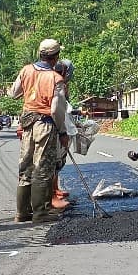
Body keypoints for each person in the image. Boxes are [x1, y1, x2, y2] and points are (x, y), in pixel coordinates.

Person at [8, 38, 69, 223]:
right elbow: (56, 110)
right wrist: (63, 132)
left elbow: (14, 92)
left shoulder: (26, 70)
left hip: (27, 124)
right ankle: (40, 213)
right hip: (44, 124)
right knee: (42, 168)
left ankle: (22, 212)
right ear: (55, 57)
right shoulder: (56, 78)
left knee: (26, 166)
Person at [50, 59, 78, 212]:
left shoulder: (60, 83)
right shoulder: (57, 82)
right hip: (54, 126)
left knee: (58, 162)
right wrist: (62, 132)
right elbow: (57, 109)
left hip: (57, 124)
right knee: (54, 162)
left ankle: (55, 189)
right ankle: (52, 196)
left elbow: (65, 106)